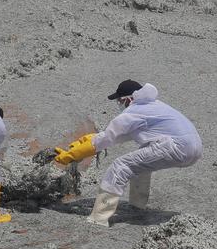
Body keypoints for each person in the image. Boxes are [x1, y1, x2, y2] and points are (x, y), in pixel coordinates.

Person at [53, 80, 202, 226]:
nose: (118, 103)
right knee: (139, 163)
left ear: (129, 99)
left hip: (176, 147)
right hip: (193, 148)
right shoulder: (154, 105)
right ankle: (137, 206)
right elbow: (117, 136)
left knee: (120, 166)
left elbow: (107, 138)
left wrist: (72, 155)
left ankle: (100, 216)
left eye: (119, 100)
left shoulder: (134, 111)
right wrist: (79, 145)